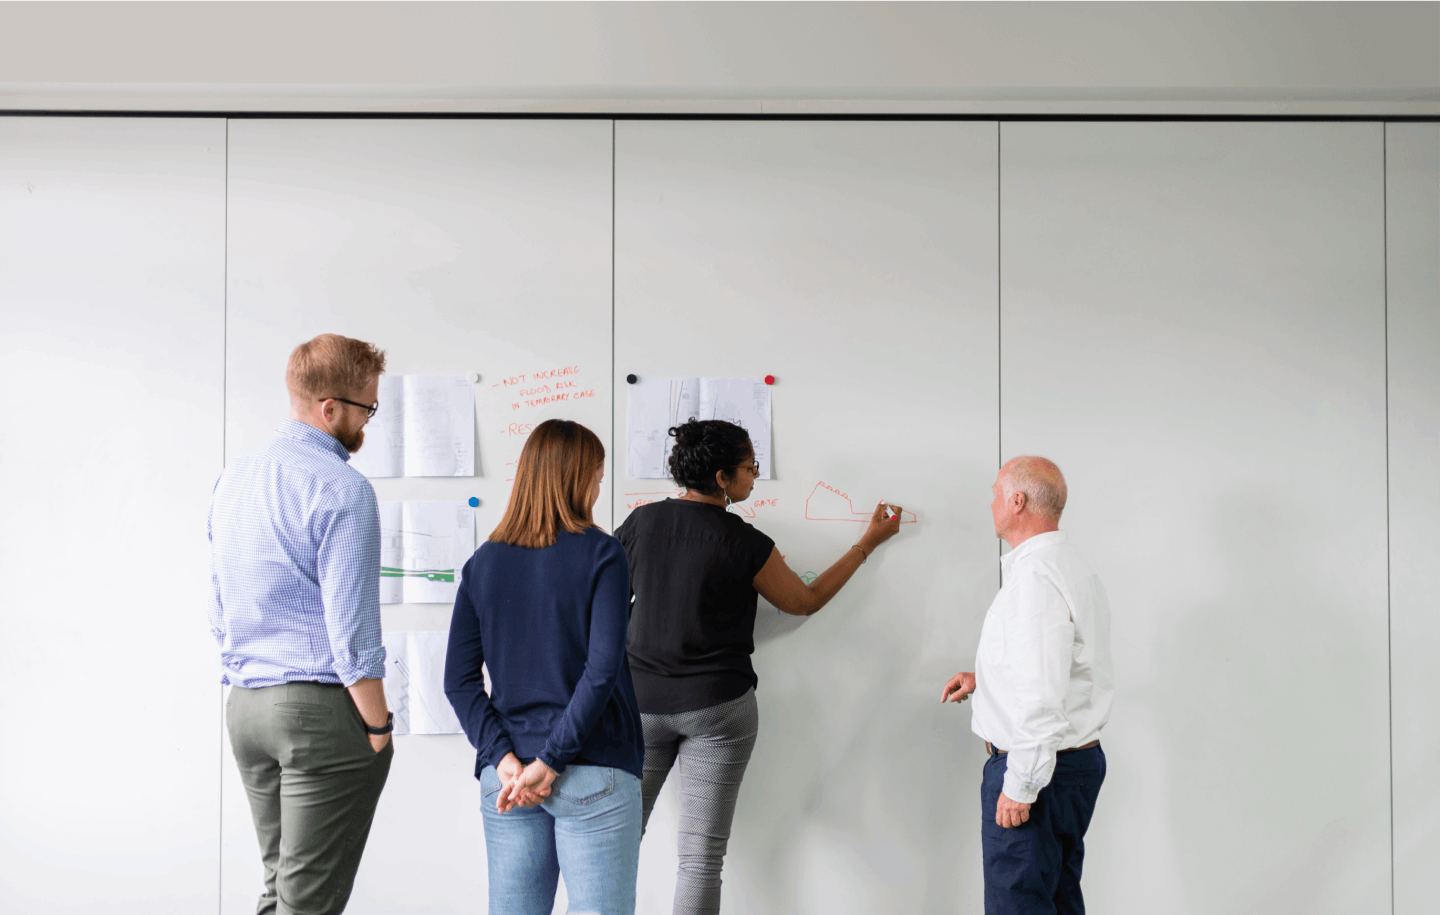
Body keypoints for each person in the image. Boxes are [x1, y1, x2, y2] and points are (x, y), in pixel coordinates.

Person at [616, 418, 906, 915]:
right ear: (723, 478)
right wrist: (867, 543)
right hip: (717, 709)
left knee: (617, 842)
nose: (756, 476)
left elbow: (607, 603)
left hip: (639, 705)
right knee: (700, 860)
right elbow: (804, 601)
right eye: (751, 467)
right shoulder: (744, 541)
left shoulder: (641, 523)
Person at [208, 333, 394, 915]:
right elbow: (353, 629)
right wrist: (379, 726)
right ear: (329, 408)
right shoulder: (342, 488)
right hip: (315, 712)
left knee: (281, 888)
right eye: (367, 408)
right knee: (309, 902)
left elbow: (219, 601)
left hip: (245, 706)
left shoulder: (233, 479)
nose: (369, 421)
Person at [444, 419, 644, 915]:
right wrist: (550, 762)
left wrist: (506, 760)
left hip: (507, 774)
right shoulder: (603, 552)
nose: (600, 486)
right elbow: (601, 671)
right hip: (592, 769)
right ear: (577, 478)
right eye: (597, 474)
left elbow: (458, 682)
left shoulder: (482, 563)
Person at [941, 456, 1114, 915]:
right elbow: (1061, 666)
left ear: (1017, 501)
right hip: (1070, 766)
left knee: (1019, 906)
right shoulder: (1067, 567)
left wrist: (1021, 785)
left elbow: (1042, 695)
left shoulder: (1035, 578)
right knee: (1057, 899)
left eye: (997, 492)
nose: (991, 501)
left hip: (1038, 769)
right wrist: (986, 680)